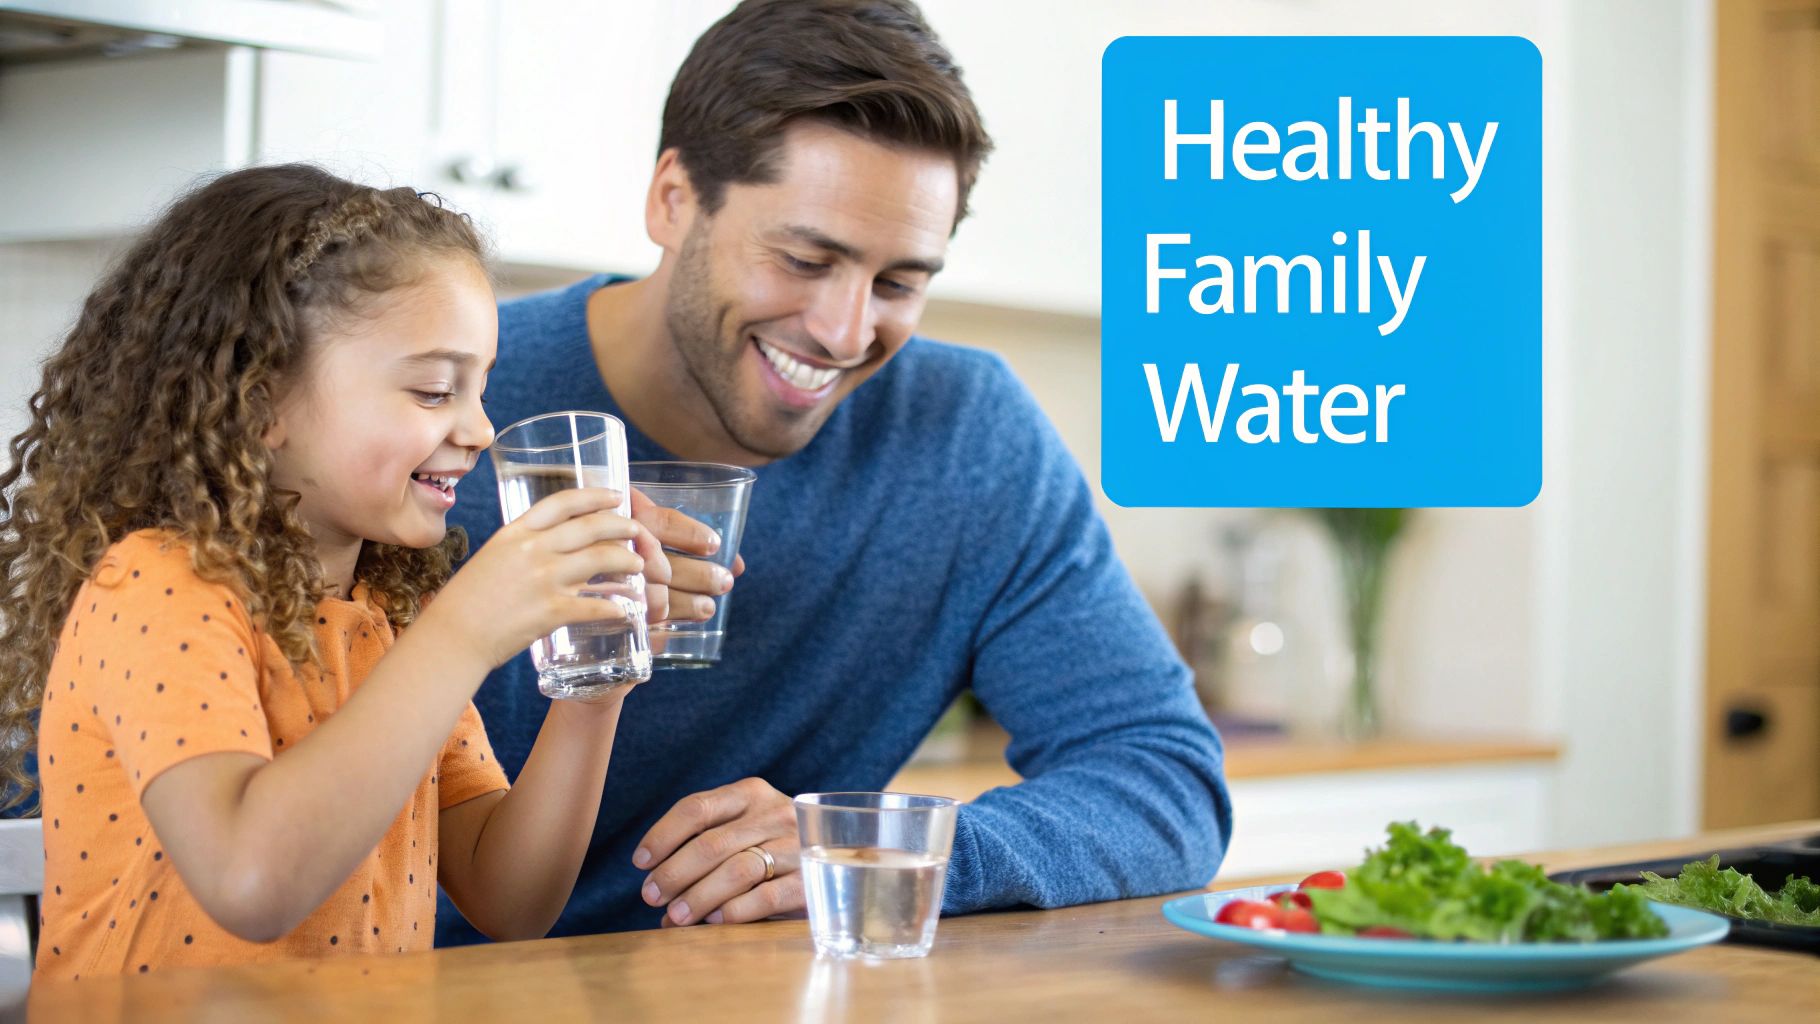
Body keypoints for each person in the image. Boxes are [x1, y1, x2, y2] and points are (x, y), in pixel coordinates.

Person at [439, 0, 1232, 944]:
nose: (846, 333)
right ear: (673, 199)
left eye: (899, 283)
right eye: (805, 258)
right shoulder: (447, 406)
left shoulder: (969, 440)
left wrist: (888, 848)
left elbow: (1164, 780)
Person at [0, 164, 724, 979]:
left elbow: (510, 898)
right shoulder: (157, 586)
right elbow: (249, 881)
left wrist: (596, 677)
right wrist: (465, 631)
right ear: (262, 401)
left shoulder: (388, 615)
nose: (480, 429)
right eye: (434, 390)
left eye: (480, 389)